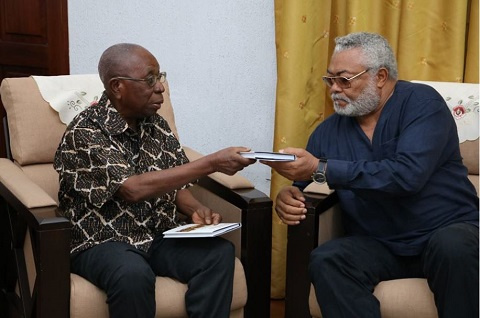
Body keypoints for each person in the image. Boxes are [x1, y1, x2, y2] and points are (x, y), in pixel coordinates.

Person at [264, 32, 479, 317]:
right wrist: (288, 197)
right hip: (381, 244)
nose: (334, 90)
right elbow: (306, 183)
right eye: (330, 80)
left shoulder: (421, 104)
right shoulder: (327, 132)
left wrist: (322, 168)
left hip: (443, 232)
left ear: (380, 76)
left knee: (453, 246)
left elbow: (407, 176)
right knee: (327, 260)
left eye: (345, 80)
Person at [54, 43, 255, 318]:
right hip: (102, 241)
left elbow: (175, 180)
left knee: (217, 255)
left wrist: (194, 208)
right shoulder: (85, 132)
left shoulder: (155, 124)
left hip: (158, 234)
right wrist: (211, 163)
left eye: (160, 77)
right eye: (150, 79)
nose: (161, 87)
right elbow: (131, 188)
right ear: (117, 87)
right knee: (133, 273)